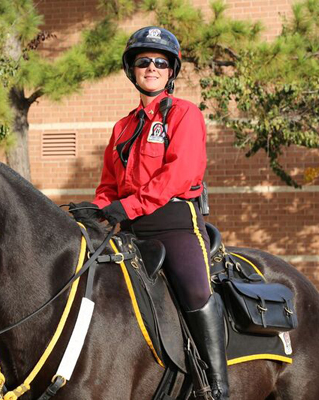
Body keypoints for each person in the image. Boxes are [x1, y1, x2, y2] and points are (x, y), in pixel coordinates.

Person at [71, 26, 229, 399]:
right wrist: (99, 208)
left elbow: (179, 173)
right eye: (144, 62)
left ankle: (216, 386)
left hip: (173, 223)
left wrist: (126, 206)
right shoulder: (122, 127)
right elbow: (109, 181)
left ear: (171, 71)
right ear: (133, 70)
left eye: (161, 62)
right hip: (126, 226)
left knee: (195, 290)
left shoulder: (185, 115)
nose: (152, 68)